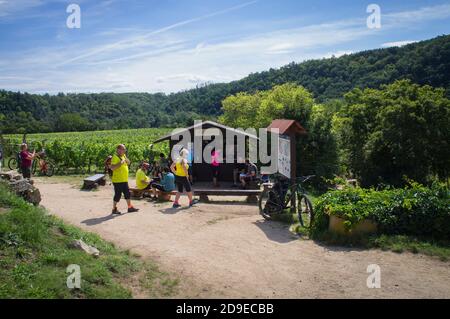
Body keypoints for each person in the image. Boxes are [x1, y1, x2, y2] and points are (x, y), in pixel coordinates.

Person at [109, 144, 139, 215]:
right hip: (117, 180)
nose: (124, 151)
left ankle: (130, 207)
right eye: (123, 149)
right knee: (118, 195)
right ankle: (114, 209)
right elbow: (112, 168)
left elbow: (128, 163)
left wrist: (126, 160)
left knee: (127, 194)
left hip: (124, 180)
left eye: (125, 149)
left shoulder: (123, 156)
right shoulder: (115, 157)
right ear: (118, 150)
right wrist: (120, 163)